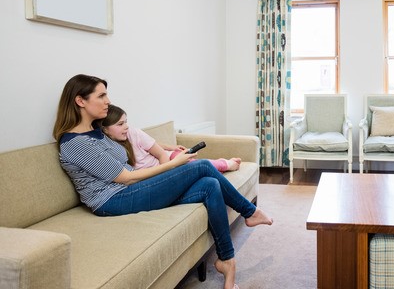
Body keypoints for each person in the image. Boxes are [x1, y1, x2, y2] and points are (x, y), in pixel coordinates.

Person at [53, 74, 272, 289]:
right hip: (112, 200)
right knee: (202, 166)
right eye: (101, 96)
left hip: (128, 190)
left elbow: (136, 143)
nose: (108, 101)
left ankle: (226, 260)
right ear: (80, 101)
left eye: (106, 95)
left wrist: (168, 149)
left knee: (210, 185)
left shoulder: (97, 132)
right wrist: (174, 165)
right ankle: (249, 211)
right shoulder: (74, 143)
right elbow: (126, 177)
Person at [99, 104, 241, 172]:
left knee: (202, 166)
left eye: (126, 122)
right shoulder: (104, 147)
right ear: (105, 129)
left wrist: (171, 151)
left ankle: (227, 164)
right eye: (120, 124)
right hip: (159, 169)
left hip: (168, 159)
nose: (126, 126)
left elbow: (157, 150)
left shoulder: (133, 133)